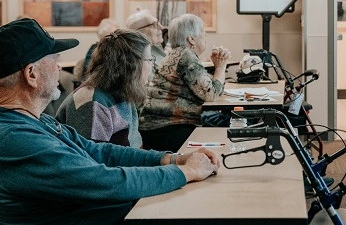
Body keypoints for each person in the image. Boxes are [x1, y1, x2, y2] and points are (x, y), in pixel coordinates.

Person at [0, 18, 221, 224]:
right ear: (31, 74)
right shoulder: (15, 138)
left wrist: (175, 160)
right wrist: (186, 172)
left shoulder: (39, 121)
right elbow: (102, 180)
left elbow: (101, 152)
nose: (59, 67)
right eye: (54, 61)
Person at [139, 13, 231, 152]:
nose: (205, 35)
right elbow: (211, 94)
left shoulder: (176, 53)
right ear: (192, 39)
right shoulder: (185, 56)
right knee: (224, 133)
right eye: (202, 31)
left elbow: (204, 86)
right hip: (166, 130)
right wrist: (221, 66)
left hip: (157, 129)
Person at [56, 28, 153, 148]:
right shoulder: (92, 103)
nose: (152, 65)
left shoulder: (124, 90)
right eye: (149, 60)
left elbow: (135, 144)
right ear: (132, 65)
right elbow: (93, 159)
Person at [75, 17, 120, 82]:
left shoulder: (116, 49)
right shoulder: (94, 49)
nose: (117, 38)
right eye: (114, 35)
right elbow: (90, 73)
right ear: (104, 36)